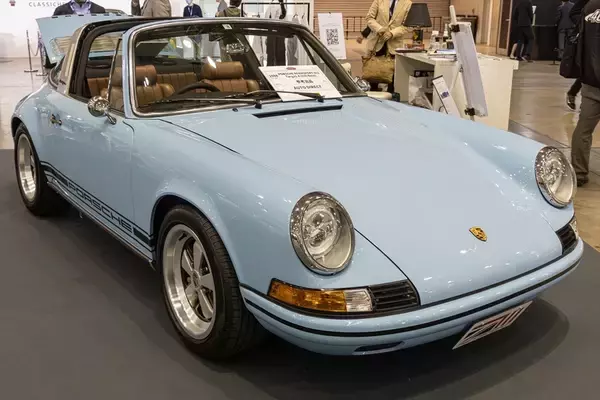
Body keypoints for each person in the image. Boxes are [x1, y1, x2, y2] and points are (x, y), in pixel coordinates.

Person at [569, 0, 597, 187]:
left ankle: (579, 173)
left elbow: (574, 13)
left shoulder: (589, 7)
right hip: (590, 81)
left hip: (591, 80)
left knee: (583, 130)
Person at [365, 0, 412, 94]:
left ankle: (391, 97)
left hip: (394, 44)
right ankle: (373, 95)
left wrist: (392, 33)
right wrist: (379, 29)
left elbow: (408, 25)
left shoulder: (408, 3)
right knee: (373, 75)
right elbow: (369, 18)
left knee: (393, 78)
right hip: (377, 42)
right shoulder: (379, 1)